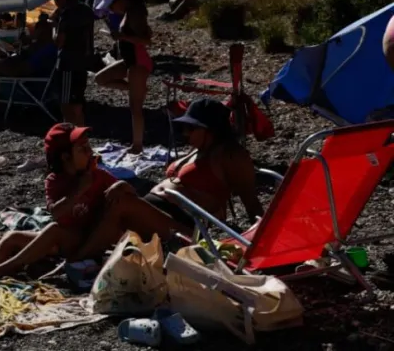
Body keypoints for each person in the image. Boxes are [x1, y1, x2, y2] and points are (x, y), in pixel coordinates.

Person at [74, 98, 264, 260]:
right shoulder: (200, 149)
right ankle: (80, 253)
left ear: (211, 130)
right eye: (184, 127)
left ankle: (77, 260)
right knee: (106, 195)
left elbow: (252, 204)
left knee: (121, 203)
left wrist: (263, 247)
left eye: (191, 128)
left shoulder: (231, 156)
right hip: (159, 214)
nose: (185, 133)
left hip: (183, 227)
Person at [0, 124, 117, 279]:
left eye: (88, 146)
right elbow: (55, 213)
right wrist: (79, 190)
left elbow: (123, 198)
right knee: (15, 237)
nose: (90, 152)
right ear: (65, 157)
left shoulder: (98, 176)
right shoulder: (55, 181)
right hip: (66, 240)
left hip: (89, 240)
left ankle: (5, 266)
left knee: (52, 231)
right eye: (82, 148)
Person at [94, 0, 152, 153]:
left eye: (111, 3)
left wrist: (122, 37)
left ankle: (137, 145)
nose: (111, 8)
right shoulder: (130, 12)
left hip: (138, 62)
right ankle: (137, 89)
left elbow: (146, 40)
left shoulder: (135, 13)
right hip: (130, 61)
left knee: (135, 108)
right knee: (100, 78)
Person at [0, 22, 58, 127]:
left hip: (27, 91)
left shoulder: (44, 51)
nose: (31, 32)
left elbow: (18, 72)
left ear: (42, 32)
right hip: (29, 86)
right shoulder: (45, 47)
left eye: (34, 29)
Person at [41, 0, 95, 125]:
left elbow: (59, 42)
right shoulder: (86, 10)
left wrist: (53, 25)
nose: (53, 0)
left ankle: (70, 133)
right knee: (78, 104)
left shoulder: (67, 14)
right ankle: (80, 133)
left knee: (66, 105)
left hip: (67, 64)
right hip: (82, 63)